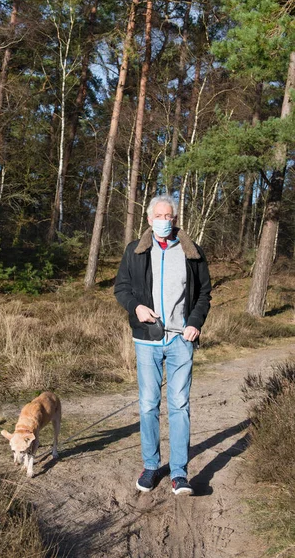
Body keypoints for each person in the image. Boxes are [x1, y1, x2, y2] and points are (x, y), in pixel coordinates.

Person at [114, 194, 211, 495]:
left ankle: (180, 473)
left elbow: (204, 293)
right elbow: (121, 288)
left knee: (179, 405)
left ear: (176, 219)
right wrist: (136, 307)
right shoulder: (135, 251)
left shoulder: (192, 252)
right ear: (148, 219)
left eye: (169, 216)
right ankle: (151, 466)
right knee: (147, 405)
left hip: (182, 340)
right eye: (159, 215)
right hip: (147, 340)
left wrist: (194, 322)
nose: (164, 220)